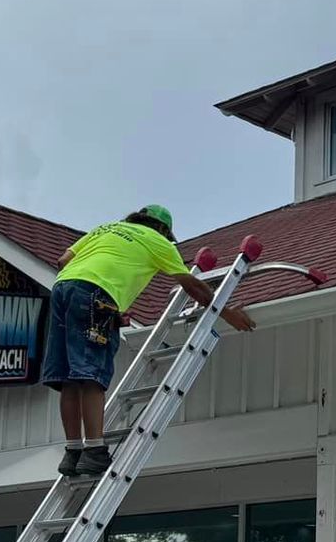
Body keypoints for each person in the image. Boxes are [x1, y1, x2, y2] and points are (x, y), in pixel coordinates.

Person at [42, 204, 254, 477]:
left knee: (69, 377)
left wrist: (105, 307)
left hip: (63, 288)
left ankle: (72, 453)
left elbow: (63, 261)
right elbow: (190, 284)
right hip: (95, 291)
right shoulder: (158, 242)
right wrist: (226, 313)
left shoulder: (106, 229)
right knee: (90, 374)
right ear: (164, 230)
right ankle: (94, 450)